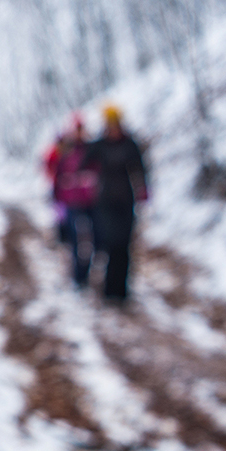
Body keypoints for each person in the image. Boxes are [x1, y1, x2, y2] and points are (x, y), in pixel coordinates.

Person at [82, 105, 149, 303]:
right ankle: (109, 289)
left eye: (115, 125)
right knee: (111, 244)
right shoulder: (99, 145)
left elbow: (140, 168)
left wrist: (143, 188)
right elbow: (84, 162)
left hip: (126, 200)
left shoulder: (129, 144)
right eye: (109, 125)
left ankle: (122, 290)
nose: (113, 129)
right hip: (106, 201)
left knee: (125, 245)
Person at [43, 113, 96, 287]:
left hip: (89, 200)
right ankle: (78, 276)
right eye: (77, 129)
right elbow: (54, 168)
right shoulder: (64, 149)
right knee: (76, 239)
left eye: (81, 129)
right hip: (71, 201)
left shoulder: (90, 148)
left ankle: (83, 272)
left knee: (89, 238)